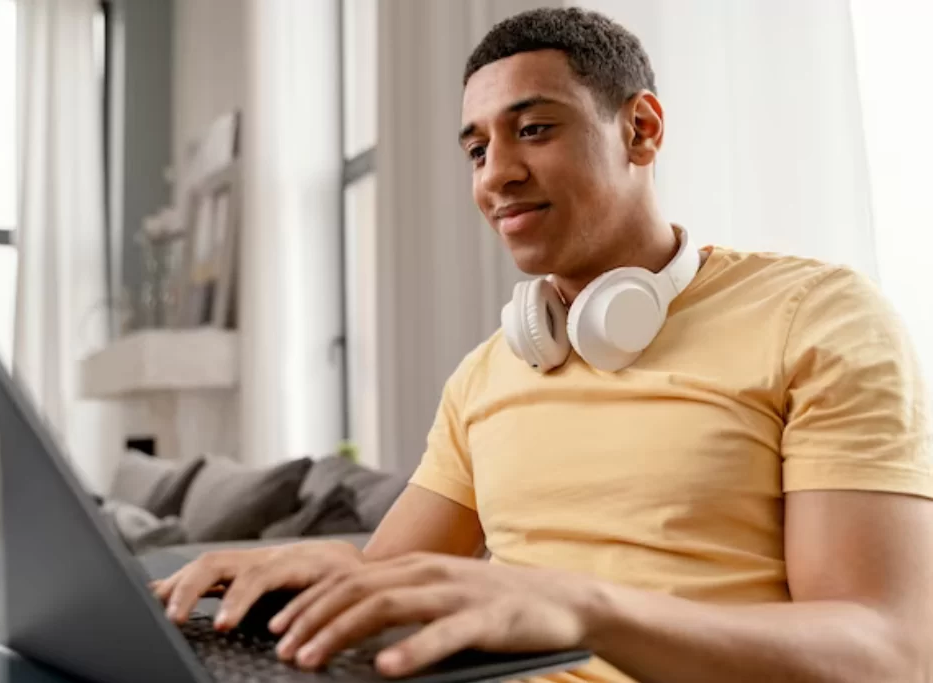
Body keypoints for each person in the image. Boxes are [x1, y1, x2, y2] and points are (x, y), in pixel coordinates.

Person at [154, 8, 933, 682]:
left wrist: (578, 604)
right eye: (476, 149)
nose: (497, 175)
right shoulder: (488, 371)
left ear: (641, 128)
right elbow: (393, 579)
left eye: (533, 129)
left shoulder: (817, 317)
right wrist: (308, 577)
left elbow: (886, 653)